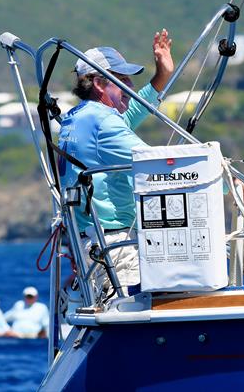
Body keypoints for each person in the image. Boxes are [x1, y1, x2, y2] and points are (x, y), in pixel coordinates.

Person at [58, 30, 175, 292]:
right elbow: (156, 164)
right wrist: (227, 183)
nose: (129, 88)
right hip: (115, 243)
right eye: (122, 80)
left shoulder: (78, 117)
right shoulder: (102, 122)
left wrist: (162, 76)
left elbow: (130, 110)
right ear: (99, 83)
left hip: (90, 240)